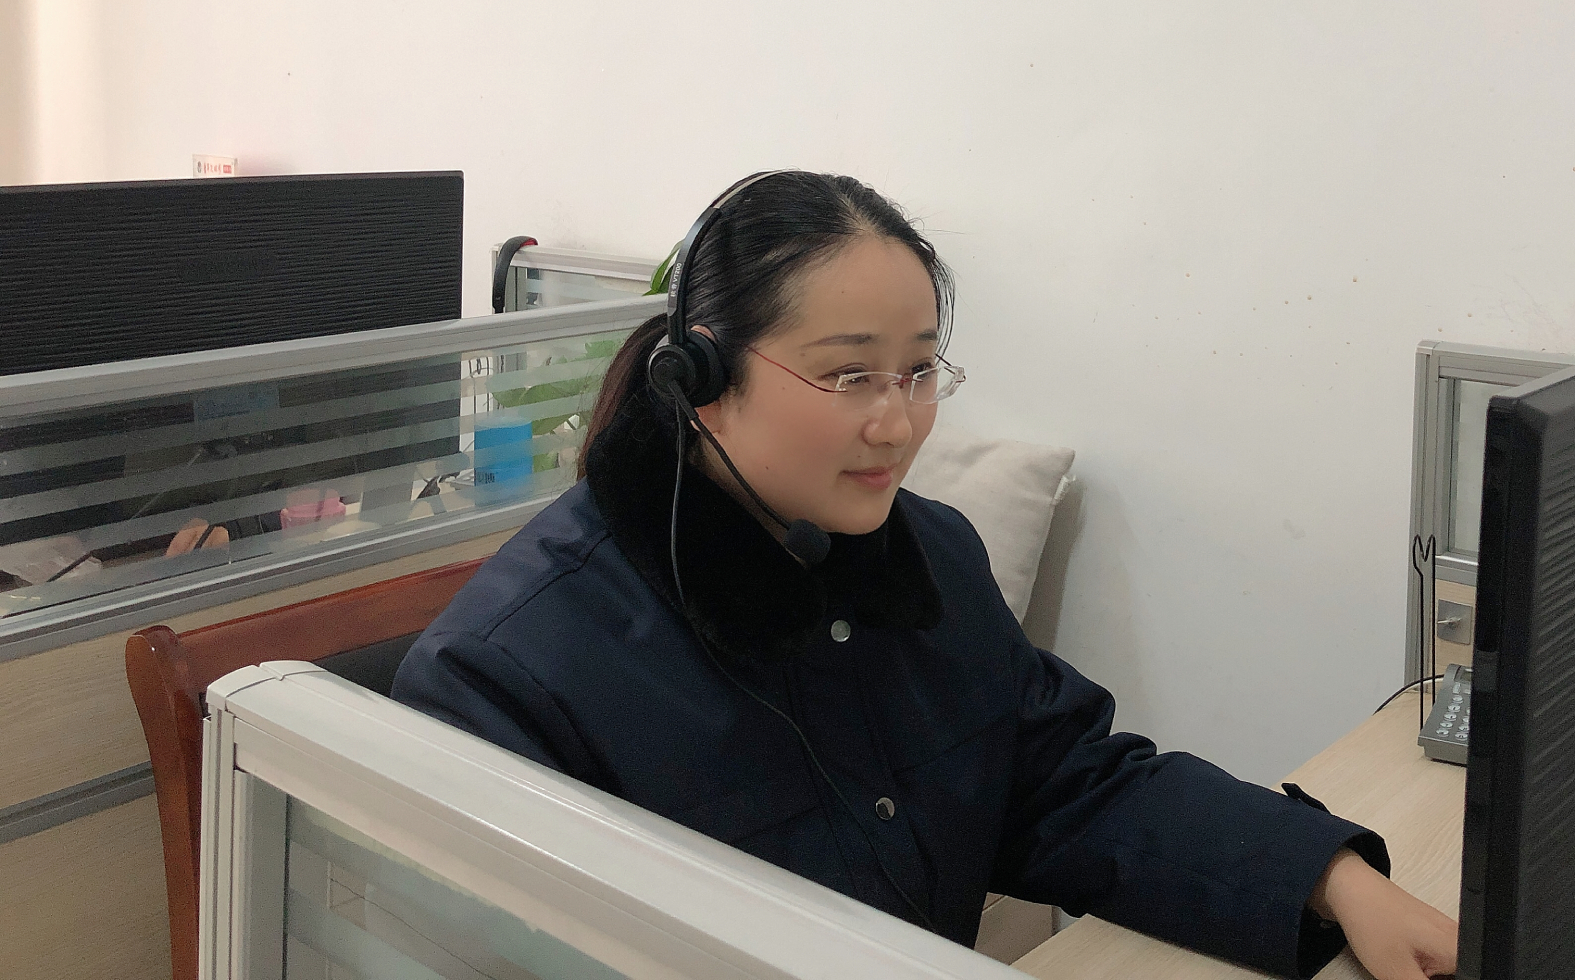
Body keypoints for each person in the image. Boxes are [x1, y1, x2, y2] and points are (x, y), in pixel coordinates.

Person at [393, 172, 1457, 979]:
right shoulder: (511, 673)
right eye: (849, 373)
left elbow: (1064, 783)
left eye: (915, 370)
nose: (897, 422)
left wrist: (1326, 877)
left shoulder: (926, 555)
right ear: (701, 377)